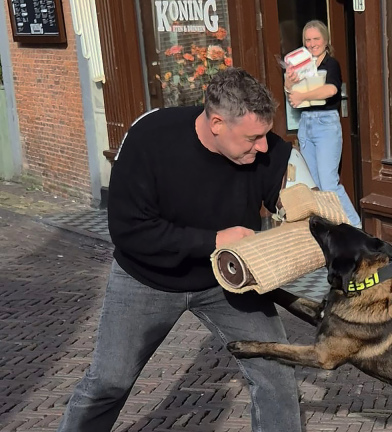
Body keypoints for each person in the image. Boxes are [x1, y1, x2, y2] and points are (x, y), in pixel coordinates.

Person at [57, 68, 303, 432]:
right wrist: (215, 241)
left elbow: (293, 196)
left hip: (227, 280)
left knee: (276, 376)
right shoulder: (150, 138)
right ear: (217, 123)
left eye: (265, 135)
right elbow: (128, 230)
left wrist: (309, 212)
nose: (263, 146)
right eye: (253, 138)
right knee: (109, 382)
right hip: (146, 278)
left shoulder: (262, 147)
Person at [283, 20, 361, 228]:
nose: (312, 43)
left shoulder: (331, 64)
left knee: (329, 183)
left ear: (325, 41)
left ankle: (356, 227)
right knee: (314, 185)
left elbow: (331, 90)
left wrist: (302, 95)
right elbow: (291, 93)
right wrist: (290, 82)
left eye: (316, 39)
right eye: (307, 40)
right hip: (306, 123)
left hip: (325, 123)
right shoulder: (301, 65)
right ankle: (332, 228)